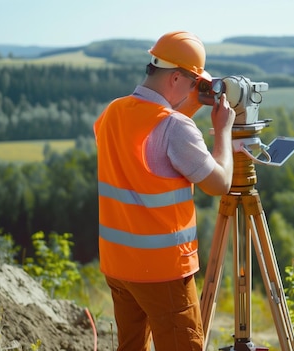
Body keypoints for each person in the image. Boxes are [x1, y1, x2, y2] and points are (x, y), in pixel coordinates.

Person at [93, 31, 236, 351]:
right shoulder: (176, 128)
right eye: (192, 83)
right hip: (162, 271)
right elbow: (219, 183)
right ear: (175, 78)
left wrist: (190, 106)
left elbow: (151, 145)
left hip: (119, 265)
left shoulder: (113, 112)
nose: (193, 89)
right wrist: (223, 133)